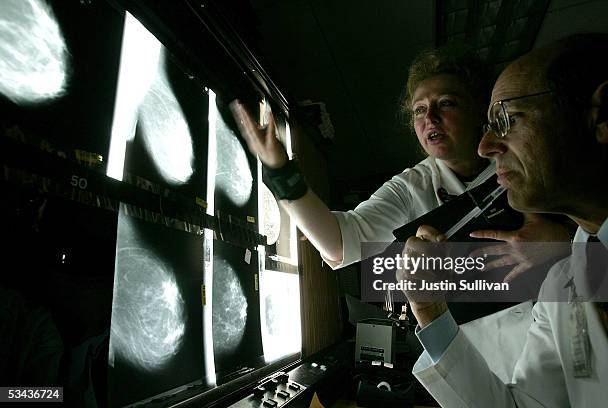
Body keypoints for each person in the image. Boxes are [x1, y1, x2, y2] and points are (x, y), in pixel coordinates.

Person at [230, 48, 571, 285]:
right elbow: (339, 243)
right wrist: (279, 170)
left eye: (446, 104)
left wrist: (569, 243)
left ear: (481, 110)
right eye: (419, 110)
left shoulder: (530, 157)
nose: (430, 118)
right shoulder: (412, 186)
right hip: (479, 352)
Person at [403, 33, 608, 407]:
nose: (485, 146)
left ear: (605, 114)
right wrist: (431, 313)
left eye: (506, 119)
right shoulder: (561, 287)